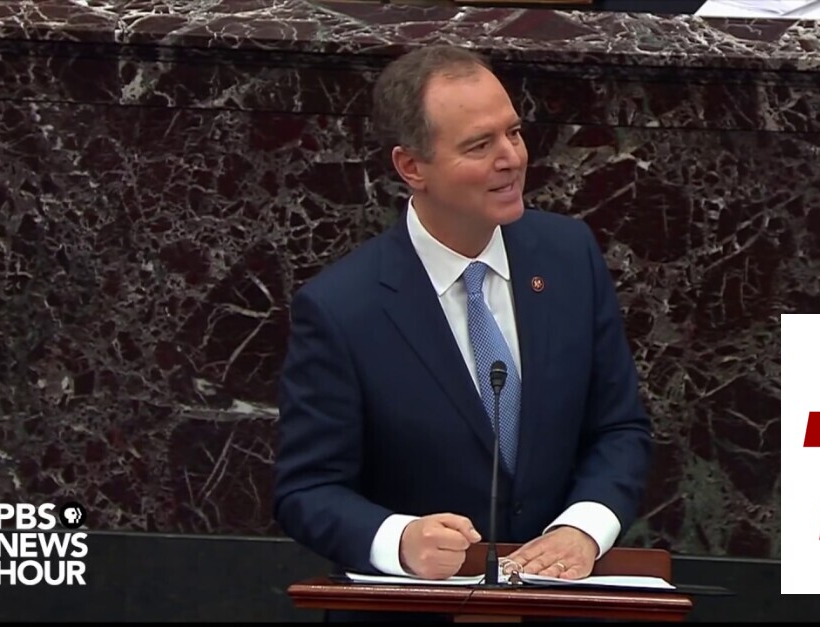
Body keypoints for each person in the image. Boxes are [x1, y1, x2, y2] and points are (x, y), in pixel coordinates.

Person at [273, 44, 653, 620]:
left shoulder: (569, 256)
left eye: (514, 133)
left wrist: (583, 527)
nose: (511, 158)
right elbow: (306, 490)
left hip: (558, 606)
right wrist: (400, 539)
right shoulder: (341, 309)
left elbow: (618, 427)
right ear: (412, 167)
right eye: (479, 145)